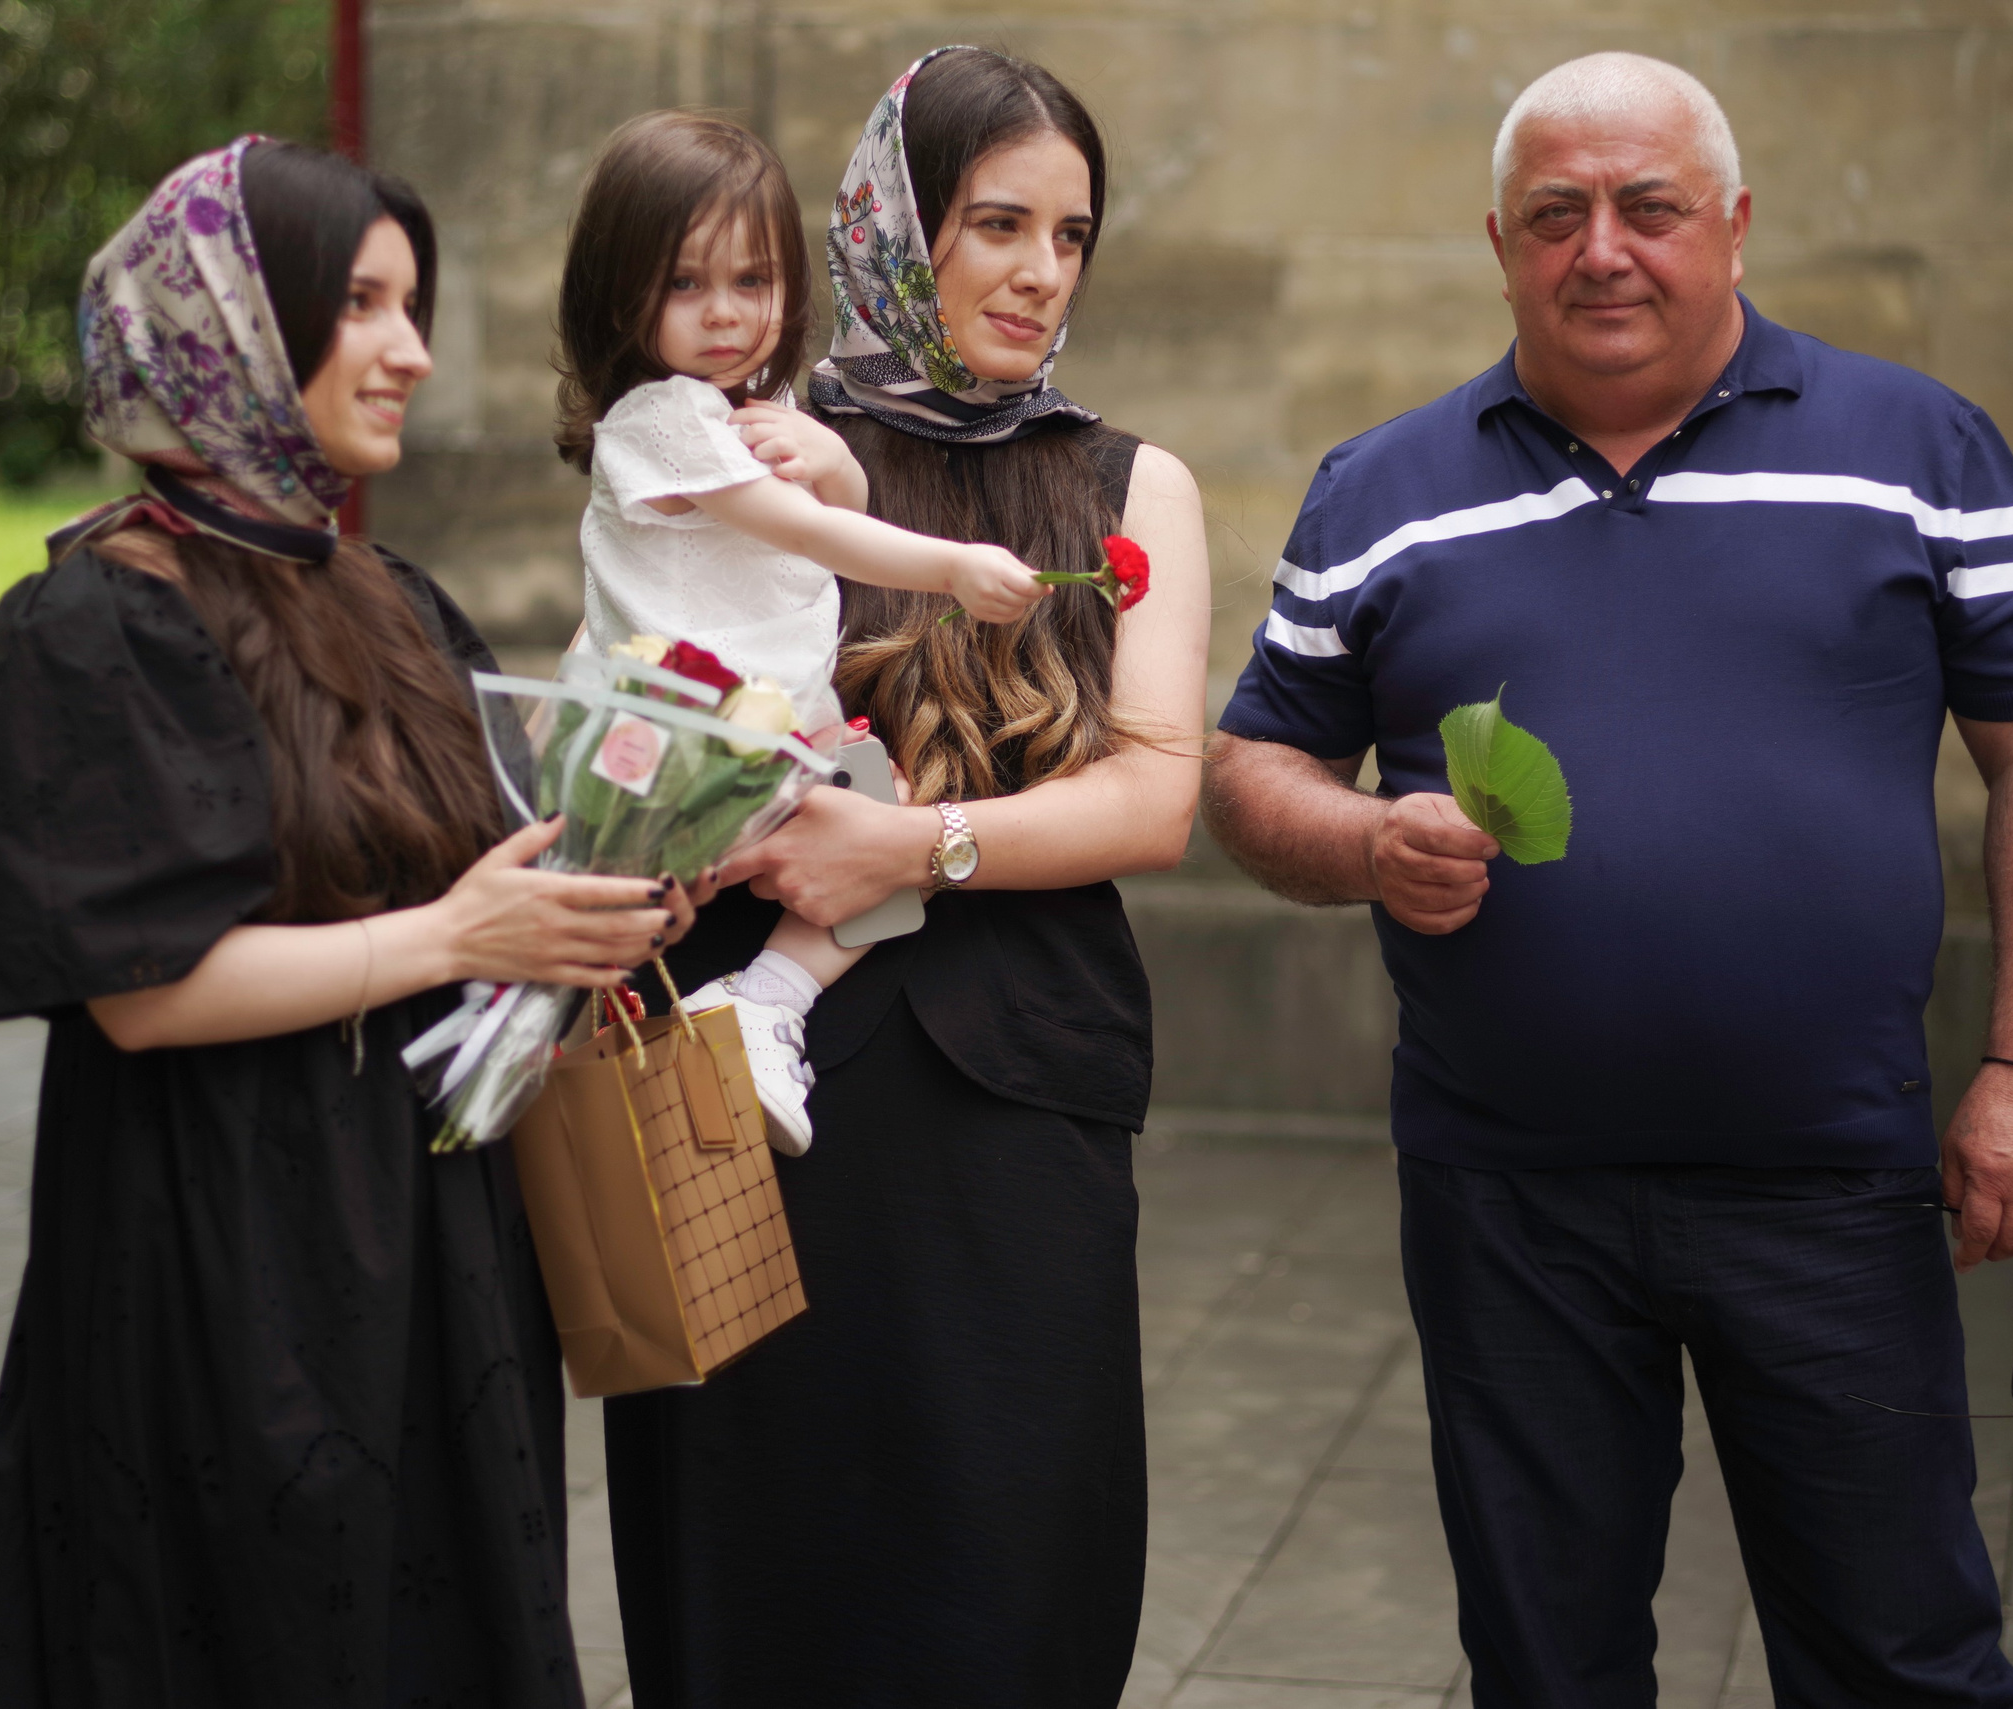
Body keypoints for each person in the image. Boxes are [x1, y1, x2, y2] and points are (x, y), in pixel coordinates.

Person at [1203, 53, 2013, 1709]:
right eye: (1557, 214)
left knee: (1900, 1647)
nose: (1602, 249)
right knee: (1547, 1663)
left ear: (1737, 226)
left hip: (1830, 1182)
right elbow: (1251, 767)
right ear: (1500, 242)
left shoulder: (1917, 446)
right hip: (1508, 1197)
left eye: (1650, 207)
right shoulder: (1379, 493)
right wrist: (1359, 839)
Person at [0, 137, 703, 1708]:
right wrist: (459, 939)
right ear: (227, 315)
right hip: (222, 1252)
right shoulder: (104, 616)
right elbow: (141, 993)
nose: (410, 349)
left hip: (430, 1254)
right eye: (358, 303)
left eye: (411, 304)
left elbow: (485, 881)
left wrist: (616, 885)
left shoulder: (388, 598)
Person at [599, 47, 1210, 1709]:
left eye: (1073, 233)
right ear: (891, 224)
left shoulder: (1128, 484)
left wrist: (917, 839)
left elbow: (1158, 791)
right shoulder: (756, 443)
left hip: (1017, 1093)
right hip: (742, 1068)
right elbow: (645, 677)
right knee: (742, 1555)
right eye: (996, 220)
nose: (1039, 269)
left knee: (1012, 1566)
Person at [549, 108, 1051, 1155]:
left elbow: (824, 508)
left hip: (762, 739)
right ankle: (754, 1002)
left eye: (754, 282)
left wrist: (833, 461)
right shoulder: (659, 423)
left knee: (896, 834)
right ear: (618, 292)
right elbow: (813, 532)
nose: (726, 314)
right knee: (894, 828)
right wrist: (950, 564)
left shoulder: (748, 408)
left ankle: (764, 1004)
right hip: (697, 747)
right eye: (686, 285)